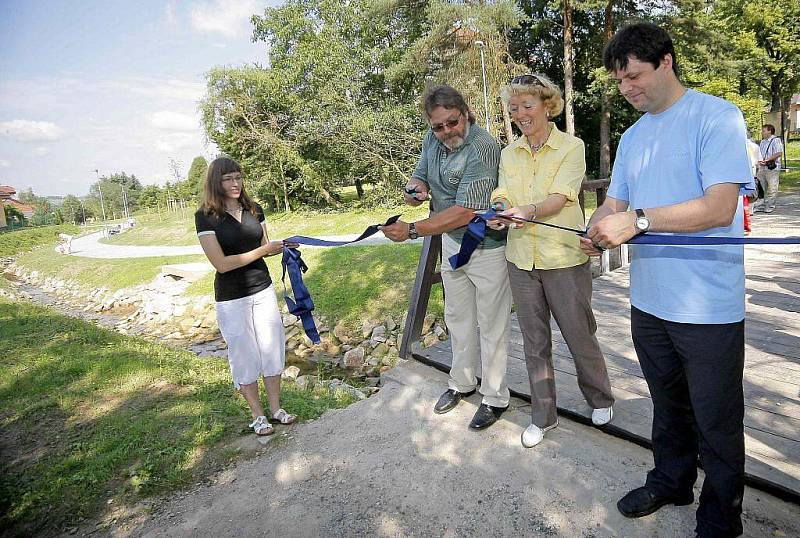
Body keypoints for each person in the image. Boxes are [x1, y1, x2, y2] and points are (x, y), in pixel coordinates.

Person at [583, 23, 753, 537]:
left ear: (667, 62)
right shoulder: (634, 137)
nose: (628, 89)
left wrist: (637, 221)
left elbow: (720, 208)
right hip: (649, 299)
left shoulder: (716, 116)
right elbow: (615, 200)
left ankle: (722, 517)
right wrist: (596, 228)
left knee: (717, 420)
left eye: (635, 76)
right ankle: (671, 480)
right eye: (620, 83)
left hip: (707, 306)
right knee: (667, 403)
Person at [487, 74, 614, 448]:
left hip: (564, 259)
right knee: (533, 342)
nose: (520, 114)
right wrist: (500, 209)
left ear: (547, 105)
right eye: (514, 109)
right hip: (521, 259)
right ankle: (543, 417)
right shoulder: (509, 152)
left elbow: (562, 196)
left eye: (527, 106)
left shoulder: (572, 147)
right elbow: (502, 191)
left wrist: (528, 210)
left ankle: (601, 398)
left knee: (579, 333)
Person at [381, 85, 512, 431]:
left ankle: (495, 397)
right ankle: (462, 382)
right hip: (453, 245)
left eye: (451, 123)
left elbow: (466, 211)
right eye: (437, 127)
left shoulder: (483, 147)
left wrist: (412, 229)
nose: (445, 132)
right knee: (457, 317)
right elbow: (420, 175)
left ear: (465, 112)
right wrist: (415, 190)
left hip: (487, 246)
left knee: (492, 324)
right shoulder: (432, 137)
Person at [195, 157, 298, 436]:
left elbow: (265, 245)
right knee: (244, 355)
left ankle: (276, 410)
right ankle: (258, 415)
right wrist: (263, 252)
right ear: (216, 182)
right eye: (228, 178)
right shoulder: (205, 216)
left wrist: (282, 246)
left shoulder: (254, 209)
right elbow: (222, 264)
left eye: (238, 177)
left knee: (271, 348)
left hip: (262, 288)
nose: (235, 183)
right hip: (231, 298)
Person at [754, 124, 783, 213]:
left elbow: (779, 153)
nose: (762, 132)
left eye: (763, 130)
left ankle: (770, 206)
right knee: (760, 187)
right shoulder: (762, 142)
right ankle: (760, 204)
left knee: (772, 187)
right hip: (762, 167)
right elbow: (760, 154)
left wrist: (767, 160)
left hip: (772, 168)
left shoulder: (776, 140)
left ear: (770, 131)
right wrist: (760, 161)